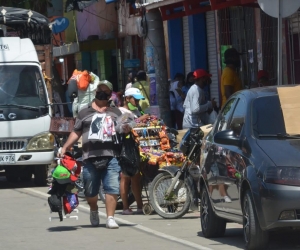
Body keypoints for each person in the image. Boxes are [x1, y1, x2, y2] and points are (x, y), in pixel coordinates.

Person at [58, 81, 131, 229]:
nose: (102, 93)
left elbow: (123, 129)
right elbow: (76, 131)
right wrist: (66, 146)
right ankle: (94, 209)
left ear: (110, 95)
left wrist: (126, 128)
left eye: (106, 91)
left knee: (112, 187)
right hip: (89, 156)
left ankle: (110, 217)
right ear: (96, 92)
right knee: (91, 191)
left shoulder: (115, 112)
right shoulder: (84, 112)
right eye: (100, 90)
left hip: (111, 155)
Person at [119, 88, 149, 215]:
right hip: (126, 148)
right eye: (134, 99)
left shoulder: (136, 110)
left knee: (136, 177)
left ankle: (139, 206)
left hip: (137, 147)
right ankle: (125, 207)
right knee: (126, 178)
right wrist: (140, 119)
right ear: (127, 98)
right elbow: (124, 127)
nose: (136, 102)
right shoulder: (122, 111)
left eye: (138, 100)